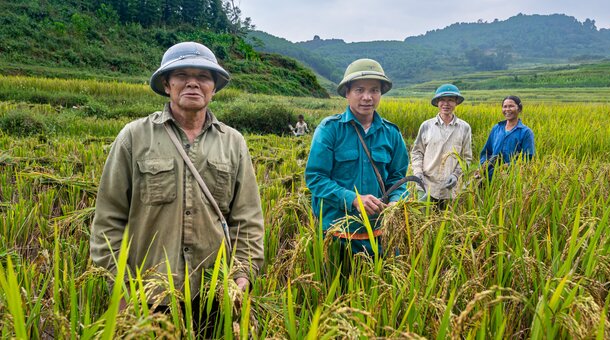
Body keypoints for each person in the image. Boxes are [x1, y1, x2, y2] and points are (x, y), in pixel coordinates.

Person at [90, 42, 264, 326]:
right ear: (167, 84)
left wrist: (242, 276)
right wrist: (120, 289)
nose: (193, 83)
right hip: (147, 294)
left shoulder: (234, 143)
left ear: (214, 87)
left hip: (214, 294)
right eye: (182, 75)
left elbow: (247, 220)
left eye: (204, 76)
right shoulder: (134, 137)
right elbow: (108, 220)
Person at [305, 58, 409, 256]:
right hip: (336, 235)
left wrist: (396, 201)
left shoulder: (392, 134)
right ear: (347, 93)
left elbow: (399, 179)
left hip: (379, 234)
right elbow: (315, 178)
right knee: (336, 286)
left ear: (381, 93)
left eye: (374, 90)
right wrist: (353, 199)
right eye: (359, 90)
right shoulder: (330, 130)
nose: (367, 97)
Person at [411, 84, 472, 210]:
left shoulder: (464, 128)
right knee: (424, 223)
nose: (446, 104)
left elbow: (466, 158)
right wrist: (418, 173)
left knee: (447, 226)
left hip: (451, 188)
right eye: (442, 100)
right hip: (427, 185)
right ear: (437, 102)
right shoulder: (426, 126)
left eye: (450, 100)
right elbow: (417, 152)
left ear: (456, 103)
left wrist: (455, 175)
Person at [479, 95, 535, 179]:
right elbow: (487, 151)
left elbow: (528, 158)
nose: (507, 109)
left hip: (512, 177)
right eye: (505, 107)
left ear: (519, 109)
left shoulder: (526, 132)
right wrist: (483, 165)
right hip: (490, 176)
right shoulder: (496, 128)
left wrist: (506, 166)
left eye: (511, 106)